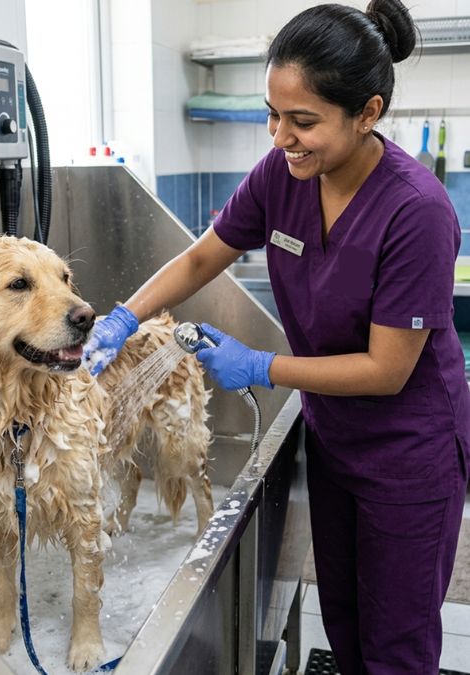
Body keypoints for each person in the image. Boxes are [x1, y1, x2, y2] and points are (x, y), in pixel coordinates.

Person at [83, 1, 470, 672]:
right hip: (335, 440)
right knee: (346, 624)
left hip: (410, 454)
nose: (279, 136)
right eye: (272, 112)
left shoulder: (417, 211)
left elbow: (387, 369)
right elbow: (205, 256)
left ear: (368, 113)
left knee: (397, 646)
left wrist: (262, 364)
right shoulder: (282, 177)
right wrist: (124, 315)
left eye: (303, 121)